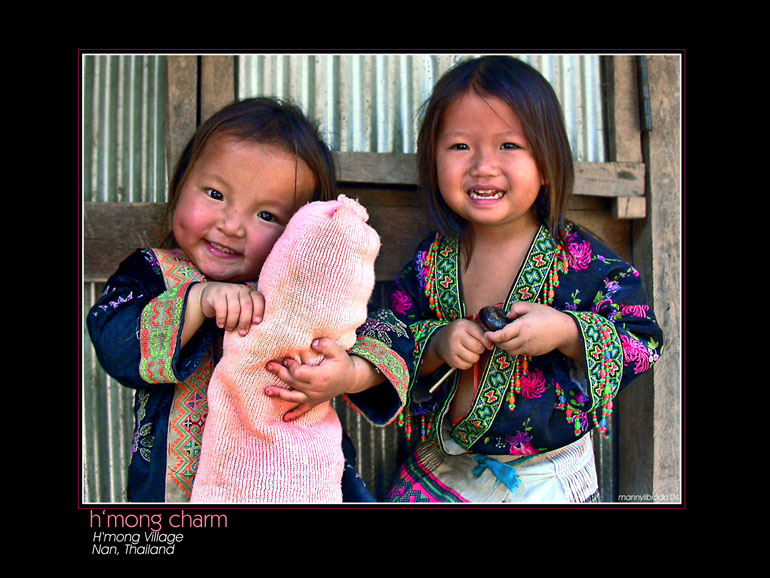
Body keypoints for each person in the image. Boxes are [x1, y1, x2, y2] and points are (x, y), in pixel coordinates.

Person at [86, 97, 411, 502]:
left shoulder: (308, 293)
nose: (231, 225)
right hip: (176, 494)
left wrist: (348, 375)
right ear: (181, 181)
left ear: (300, 227)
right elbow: (113, 339)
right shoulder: (154, 275)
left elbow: (394, 338)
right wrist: (197, 301)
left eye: (266, 216)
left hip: (297, 482)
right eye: (215, 193)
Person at [383, 56, 664, 503]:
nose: (482, 166)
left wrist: (566, 331)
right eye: (459, 146)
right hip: (444, 465)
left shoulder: (580, 260)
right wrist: (437, 343)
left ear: (548, 163)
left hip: (544, 477)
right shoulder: (431, 259)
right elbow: (390, 334)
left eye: (509, 146)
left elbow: (643, 342)